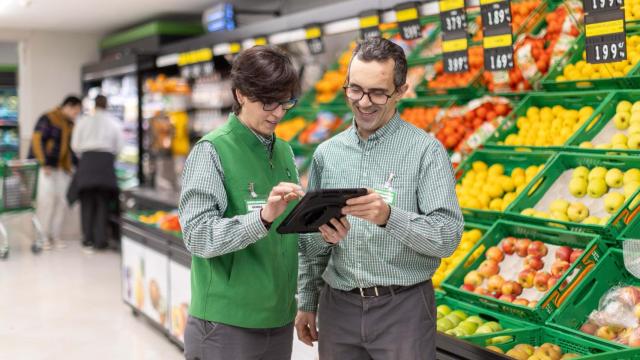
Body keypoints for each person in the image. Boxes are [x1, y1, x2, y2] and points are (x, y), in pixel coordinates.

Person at [296, 37, 464, 359]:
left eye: (378, 92)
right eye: (355, 89)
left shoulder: (425, 152)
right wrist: (307, 300)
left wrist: (389, 216)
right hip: (338, 307)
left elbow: (447, 237)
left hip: (402, 308)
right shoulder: (327, 155)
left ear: (400, 91)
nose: (363, 102)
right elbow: (308, 242)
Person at [179, 46, 305, 360]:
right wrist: (262, 218)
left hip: (278, 319)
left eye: (286, 102)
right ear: (240, 95)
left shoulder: (285, 152)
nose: (278, 113)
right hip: (226, 324)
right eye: (268, 103)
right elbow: (197, 236)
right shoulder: (212, 151)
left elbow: (288, 235)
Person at [70, 95, 124, 252]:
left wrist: (86, 157)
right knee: (103, 203)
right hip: (105, 164)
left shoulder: (83, 121)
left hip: (86, 162)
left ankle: (87, 239)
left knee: (87, 202)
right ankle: (101, 241)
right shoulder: (114, 123)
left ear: (94, 105)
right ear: (107, 105)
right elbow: (119, 147)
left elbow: (75, 146)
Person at [29, 95, 82, 250]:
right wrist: (43, 162)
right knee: (45, 203)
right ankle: (41, 237)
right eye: (76, 111)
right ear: (69, 106)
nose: (76, 115)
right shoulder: (48, 118)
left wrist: (75, 166)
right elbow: (37, 140)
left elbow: (70, 148)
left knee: (61, 202)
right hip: (46, 168)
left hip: (61, 169)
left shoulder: (70, 124)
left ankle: (55, 236)